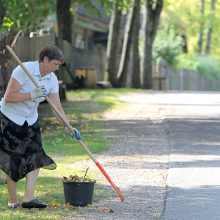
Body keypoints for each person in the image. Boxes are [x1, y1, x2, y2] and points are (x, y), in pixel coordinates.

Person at [0, 45, 81, 209]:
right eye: (55, 64)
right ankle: (13, 200)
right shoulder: (23, 70)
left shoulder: (51, 79)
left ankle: (29, 199)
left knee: (36, 155)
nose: (57, 69)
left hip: (30, 120)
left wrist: (68, 127)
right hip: (10, 119)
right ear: (45, 60)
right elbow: (8, 97)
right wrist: (32, 94)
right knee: (15, 161)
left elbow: (56, 108)